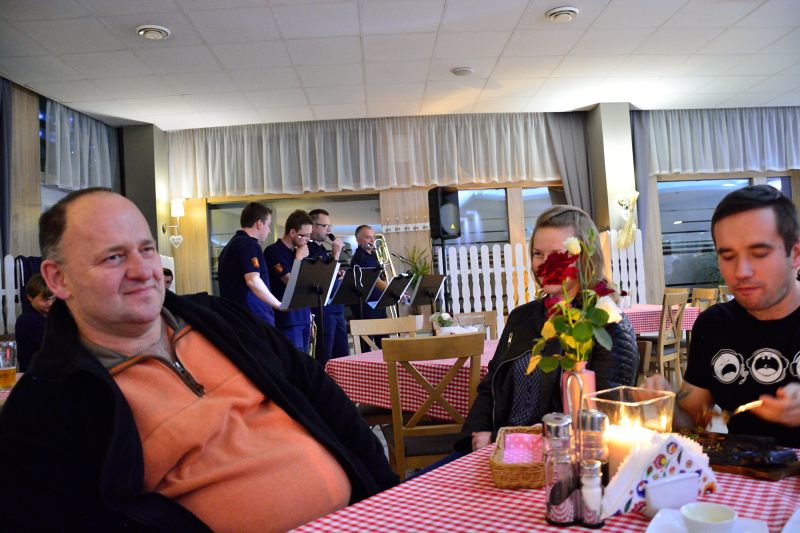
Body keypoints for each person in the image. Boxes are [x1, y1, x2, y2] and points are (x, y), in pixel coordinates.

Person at [0, 189, 397, 531]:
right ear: (58, 279)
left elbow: (325, 398)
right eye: (113, 258)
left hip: (364, 515)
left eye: (146, 249)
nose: (143, 271)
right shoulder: (46, 405)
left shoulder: (220, 320)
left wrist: (387, 495)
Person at [457, 205, 638, 453]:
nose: (545, 264)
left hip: (561, 456)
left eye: (558, 255)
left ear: (584, 257)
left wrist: (513, 442)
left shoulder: (607, 324)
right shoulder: (521, 318)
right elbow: (491, 387)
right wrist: (477, 435)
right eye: (538, 254)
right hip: (500, 454)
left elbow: (606, 416)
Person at [646, 185, 800, 446]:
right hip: (739, 469)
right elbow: (692, 422)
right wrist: (665, 403)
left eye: (759, 254)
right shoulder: (714, 325)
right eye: (728, 256)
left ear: (794, 254)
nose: (741, 271)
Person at [217, 202, 281, 326]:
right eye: (268, 225)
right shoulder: (248, 244)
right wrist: (278, 304)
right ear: (259, 223)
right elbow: (253, 280)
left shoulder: (233, 244)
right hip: (253, 317)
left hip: (238, 316)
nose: (269, 231)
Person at [264, 210, 314, 353]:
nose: (308, 240)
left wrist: (309, 318)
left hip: (303, 316)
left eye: (309, 236)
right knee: (293, 359)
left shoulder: (297, 251)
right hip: (287, 319)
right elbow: (290, 282)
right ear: (292, 232)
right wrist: (299, 258)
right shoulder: (274, 251)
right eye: (305, 235)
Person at [307, 209, 349, 366]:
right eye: (325, 226)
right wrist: (336, 254)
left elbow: (328, 273)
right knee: (326, 355)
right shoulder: (308, 248)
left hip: (336, 307)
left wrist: (337, 272)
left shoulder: (321, 248)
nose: (328, 230)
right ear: (313, 226)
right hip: (323, 310)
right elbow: (319, 276)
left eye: (330, 226)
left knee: (342, 354)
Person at [349, 224, 389, 352]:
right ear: (358, 240)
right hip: (366, 305)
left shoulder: (372, 255)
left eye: (373, 237)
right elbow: (374, 280)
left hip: (377, 302)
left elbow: (379, 277)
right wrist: (391, 290)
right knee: (367, 343)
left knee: (384, 341)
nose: (372, 240)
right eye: (368, 237)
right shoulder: (360, 257)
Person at [14, 273, 55, 372]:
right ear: (30, 297)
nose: (50, 303)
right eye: (45, 299)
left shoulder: (51, 316)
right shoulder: (27, 321)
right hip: (37, 374)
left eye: (54, 299)